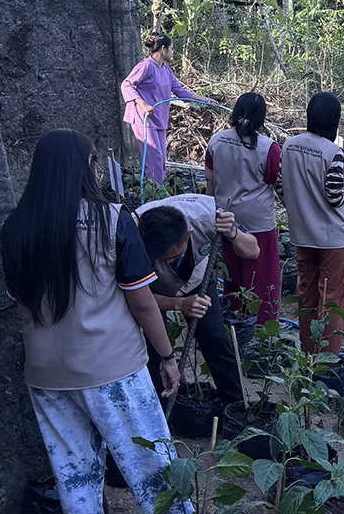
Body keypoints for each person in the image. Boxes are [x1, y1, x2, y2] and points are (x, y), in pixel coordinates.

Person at [1, 129, 190, 514]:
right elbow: (142, 304)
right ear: (89, 166)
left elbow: (18, 299)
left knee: (76, 479)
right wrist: (167, 357)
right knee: (155, 474)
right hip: (112, 370)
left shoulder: (15, 229)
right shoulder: (112, 220)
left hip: (46, 376)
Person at [135, 193, 256, 408]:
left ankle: (234, 408)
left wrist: (233, 232)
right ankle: (160, 412)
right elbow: (135, 300)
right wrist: (178, 304)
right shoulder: (134, 234)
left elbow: (253, 250)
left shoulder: (210, 216)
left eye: (173, 257)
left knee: (216, 339)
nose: (168, 263)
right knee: (154, 351)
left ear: (189, 234)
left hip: (198, 279)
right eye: (162, 260)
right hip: (150, 286)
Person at [281, 92, 344, 354]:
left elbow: (281, 186)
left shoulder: (289, 145)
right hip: (333, 237)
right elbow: (335, 197)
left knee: (307, 296)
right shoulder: (332, 151)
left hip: (303, 234)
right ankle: (329, 361)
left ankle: (307, 353)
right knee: (333, 299)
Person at [206, 92, 282, 323]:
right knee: (262, 281)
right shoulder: (269, 149)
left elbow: (210, 183)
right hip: (258, 225)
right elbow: (275, 182)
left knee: (233, 277)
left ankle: (235, 323)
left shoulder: (216, 141)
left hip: (225, 220)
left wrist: (210, 214)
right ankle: (262, 328)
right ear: (261, 119)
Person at [121, 31, 214, 186]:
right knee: (154, 158)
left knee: (161, 159)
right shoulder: (145, 66)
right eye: (171, 49)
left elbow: (180, 91)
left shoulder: (166, 70)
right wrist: (143, 104)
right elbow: (127, 84)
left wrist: (206, 100)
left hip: (160, 119)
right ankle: (153, 194)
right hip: (144, 118)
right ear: (163, 49)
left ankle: (157, 189)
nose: (173, 53)